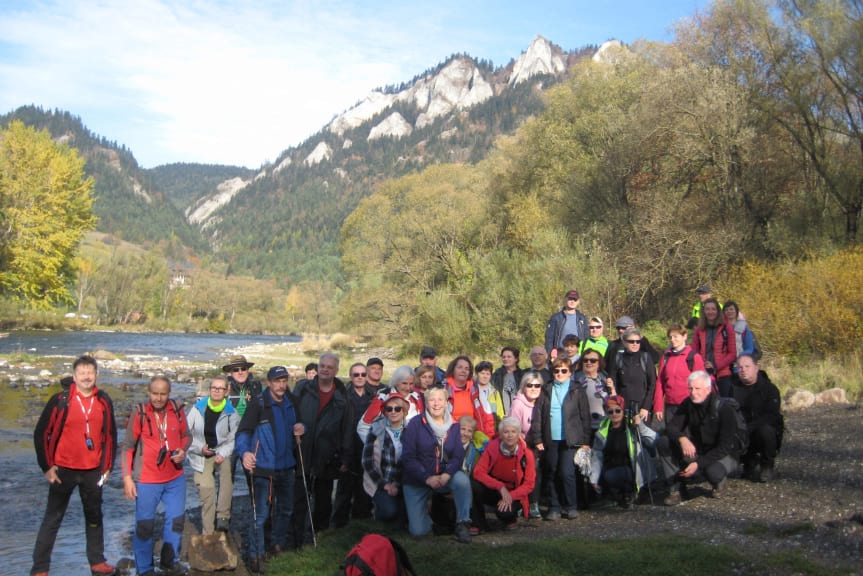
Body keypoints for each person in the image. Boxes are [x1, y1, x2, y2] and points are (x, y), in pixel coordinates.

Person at [31, 354, 118, 576]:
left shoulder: (104, 401)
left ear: (96, 375)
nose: (86, 377)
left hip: (93, 470)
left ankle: (97, 562)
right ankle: (40, 568)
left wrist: (108, 467)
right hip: (63, 469)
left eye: (90, 372)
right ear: (74, 375)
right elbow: (41, 433)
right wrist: (46, 467)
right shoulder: (61, 400)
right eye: (82, 373)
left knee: (95, 516)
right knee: (53, 518)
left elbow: (110, 435)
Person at [235, 366, 303, 570]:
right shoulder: (258, 404)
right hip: (264, 467)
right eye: (277, 381)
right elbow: (243, 432)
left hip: (287, 465)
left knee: (285, 510)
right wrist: (245, 453)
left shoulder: (291, 402)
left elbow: (298, 425)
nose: (281, 385)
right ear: (269, 382)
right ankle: (255, 556)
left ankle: (277, 545)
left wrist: (302, 428)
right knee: (261, 514)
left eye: (284, 380)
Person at [121, 376, 191, 576]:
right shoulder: (140, 413)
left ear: (169, 393)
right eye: (155, 393)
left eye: (163, 394)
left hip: (175, 478)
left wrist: (183, 450)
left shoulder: (177, 410)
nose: (159, 398)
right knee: (144, 525)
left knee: (176, 520)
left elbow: (187, 436)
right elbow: (127, 446)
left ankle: (169, 561)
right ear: (148, 393)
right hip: (147, 480)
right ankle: (145, 569)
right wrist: (127, 478)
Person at [291, 352, 354, 541]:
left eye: (329, 367)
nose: (325, 369)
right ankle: (296, 537)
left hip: (328, 455)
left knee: (324, 500)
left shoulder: (342, 397)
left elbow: (347, 429)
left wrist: (345, 458)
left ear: (336, 370)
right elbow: (291, 414)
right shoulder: (303, 388)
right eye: (322, 365)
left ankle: (320, 535)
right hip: (302, 451)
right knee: (300, 497)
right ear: (318, 368)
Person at [657, 371, 742, 505]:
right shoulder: (688, 403)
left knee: (712, 471)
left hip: (725, 453)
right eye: (690, 388)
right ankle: (675, 489)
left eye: (697, 388)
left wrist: (698, 464)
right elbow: (671, 427)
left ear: (708, 389)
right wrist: (682, 439)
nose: (693, 392)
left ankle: (719, 482)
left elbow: (725, 446)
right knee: (664, 442)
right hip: (700, 449)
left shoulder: (724, 409)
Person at [401, 386, 473, 543]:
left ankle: (463, 523)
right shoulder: (415, 424)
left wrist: (447, 474)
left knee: (462, 481)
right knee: (418, 532)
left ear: (446, 402)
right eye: (431, 400)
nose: (436, 403)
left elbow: (458, 455)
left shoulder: (454, 425)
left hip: (443, 476)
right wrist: (426, 478)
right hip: (418, 479)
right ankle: (430, 522)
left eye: (440, 399)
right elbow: (408, 457)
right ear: (426, 403)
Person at [530, 357, 591, 520]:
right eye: (556, 370)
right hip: (551, 438)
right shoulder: (546, 389)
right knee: (551, 472)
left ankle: (571, 506)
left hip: (571, 439)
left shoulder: (577, 390)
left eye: (564, 370)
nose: (560, 373)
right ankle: (554, 507)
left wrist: (586, 441)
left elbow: (585, 416)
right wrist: (537, 439)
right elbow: (538, 416)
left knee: (567, 473)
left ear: (570, 372)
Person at [186, 375, 239, 534]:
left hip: (220, 451)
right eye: (214, 388)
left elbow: (233, 438)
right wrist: (200, 448)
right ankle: (208, 531)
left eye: (220, 388)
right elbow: (186, 435)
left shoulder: (231, 413)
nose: (216, 391)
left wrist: (222, 453)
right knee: (207, 491)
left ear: (226, 391)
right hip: (201, 453)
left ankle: (223, 516)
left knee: (226, 472)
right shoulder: (197, 409)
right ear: (210, 390)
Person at [589, 395, 657, 509]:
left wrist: (640, 426)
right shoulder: (603, 427)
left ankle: (631, 492)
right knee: (610, 475)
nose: (614, 414)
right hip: (612, 467)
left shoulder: (631, 423)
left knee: (617, 474)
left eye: (617, 410)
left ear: (623, 410)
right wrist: (594, 478)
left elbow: (653, 439)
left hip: (633, 468)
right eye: (610, 411)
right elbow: (597, 454)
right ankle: (618, 495)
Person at [472, 417, 536, 530]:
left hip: (515, 493)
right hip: (495, 489)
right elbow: (478, 472)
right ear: (501, 435)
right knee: (474, 485)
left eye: (513, 431)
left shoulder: (527, 454)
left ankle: (510, 519)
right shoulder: (492, 447)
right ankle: (478, 524)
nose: (510, 435)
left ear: (519, 434)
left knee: (504, 513)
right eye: (506, 432)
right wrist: (500, 487)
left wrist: (510, 496)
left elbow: (529, 484)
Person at [332, 363, 376, 528]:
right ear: (351, 377)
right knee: (344, 489)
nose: (360, 377)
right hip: (348, 447)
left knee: (364, 487)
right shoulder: (342, 396)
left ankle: (361, 522)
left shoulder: (373, 396)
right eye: (356, 374)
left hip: (366, 447)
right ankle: (338, 524)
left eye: (363, 374)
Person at [732, 355, 784, 482]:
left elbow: (772, 416)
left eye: (747, 366)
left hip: (762, 430)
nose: (743, 370)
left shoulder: (770, 389)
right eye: (740, 367)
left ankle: (767, 465)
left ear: (756, 368)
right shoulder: (732, 388)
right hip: (741, 430)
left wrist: (749, 427)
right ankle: (747, 462)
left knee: (766, 431)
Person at [361, 392, 410, 525]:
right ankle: (378, 512)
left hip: (403, 480)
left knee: (405, 521)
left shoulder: (411, 430)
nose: (393, 412)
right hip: (382, 481)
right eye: (389, 409)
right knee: (389, 512)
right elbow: (367, 461)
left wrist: (397, 483)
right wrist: (385, 484)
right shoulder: (376, 429)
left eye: (397, 408)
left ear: (404, 411)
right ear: (385, 412)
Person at [508, 371, 544, 519]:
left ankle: (535, 502)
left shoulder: (543, 402)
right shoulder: (518, 403)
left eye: (537, 385)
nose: (534, 388)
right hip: (521, 443)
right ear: (524, 387)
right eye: (530, 385)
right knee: (531, 466)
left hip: (539, 442)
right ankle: (525, 503)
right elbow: (513, 429)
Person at [654, 324, 705, 426]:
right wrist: (658, 406)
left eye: (676, 336)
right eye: (670, 337)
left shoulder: (693, 357)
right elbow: (660, 382)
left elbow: (702, 384)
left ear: (684, 336)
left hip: (688, 406)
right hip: (670, 406)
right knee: (672, 437)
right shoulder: (666, 357)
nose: (672, 340)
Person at [607, 328, 656, 422]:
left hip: (642, 408)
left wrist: (646, 407)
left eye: (638, 341)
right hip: (623, 408)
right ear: (624, 342)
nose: (635, 344)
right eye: (631, 341)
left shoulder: (645, 358)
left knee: (643, 436)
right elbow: (613, 381)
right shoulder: (618, 358)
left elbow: (652, 384)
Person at [692, 298, 737, 397]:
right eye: (707, 309)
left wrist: (716, 366)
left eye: (713, 309)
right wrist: (703, 364)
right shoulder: (699, 330)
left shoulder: (726, 328)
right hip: (704, 373)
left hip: (723, 374)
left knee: (724, 405)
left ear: (718, 311)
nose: (710, 312)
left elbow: (733, 353)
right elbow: (694, 352)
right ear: (704, 311)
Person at [444, 355, 495, 436]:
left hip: (473, 437)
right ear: (453, 369)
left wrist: (489, 437)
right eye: (459, 367)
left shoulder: (475, 391)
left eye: (467, 368)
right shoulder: (444, 390)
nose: (463, 371)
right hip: (449, 437)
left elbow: (487, 416)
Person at [570, 348, 614, 432]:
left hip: (603, 427)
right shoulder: (574, 380)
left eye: (593, 360)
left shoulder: (605, 379)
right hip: (582, 428)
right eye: (585, 360)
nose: (589, 363)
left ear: (599, 363)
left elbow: (615, 403)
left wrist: (612, 389)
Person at [543, 289, 587, 360]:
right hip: (560, 355)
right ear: (565, 299)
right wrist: (549, 354)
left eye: (575, 299)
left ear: (578, 301)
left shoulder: (582, 318)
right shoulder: (556, 317)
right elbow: (549, 338)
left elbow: (586, 338)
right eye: (570, 299)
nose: (572, 301)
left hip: (577, 356)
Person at [475, 361, 505, 434]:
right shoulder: (472, 391)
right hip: (477, 433)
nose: (485, 376)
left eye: (488, 374)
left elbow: (500, 414)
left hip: (493, 433)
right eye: (482, 373)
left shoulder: (495, 393)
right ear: (476, 374)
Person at [491, 347, 523, 414]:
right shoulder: (496, 375)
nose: (506, 359)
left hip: (518, 415)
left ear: (516, 359)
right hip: (502, 415)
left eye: (509, 357)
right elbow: (492, 396)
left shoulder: (522, 375)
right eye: (504, 357)